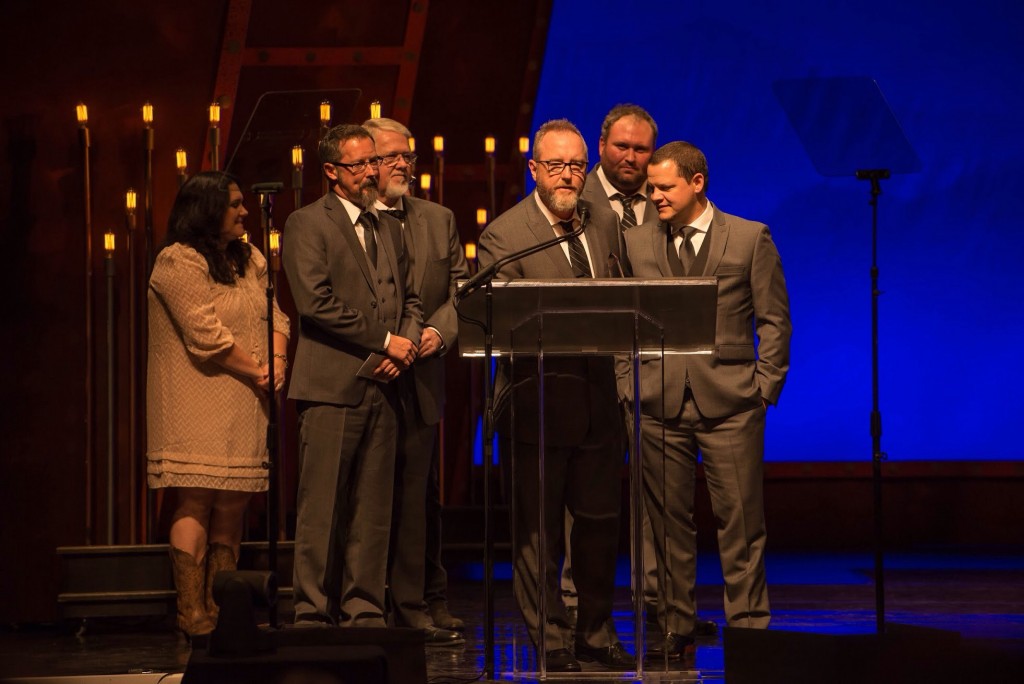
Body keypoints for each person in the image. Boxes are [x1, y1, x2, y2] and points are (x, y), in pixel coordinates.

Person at [622, 141, 791, 660]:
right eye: (652, 187)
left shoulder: (747, 237)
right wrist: (628, 386)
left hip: (732, 405)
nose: (655, 196)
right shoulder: (635, 242)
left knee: (740, 524)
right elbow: (622, 321)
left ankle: (748, 628)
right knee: (668, 525)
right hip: (658, 403)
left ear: (698, 183)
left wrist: (764, 389)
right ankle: (676, 625)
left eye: (665, 187)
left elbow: (774, 320)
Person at [477, 119, 635, 673]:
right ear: (534, 170)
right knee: (537, 538)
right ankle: (548, 638)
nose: (568, 176)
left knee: (598, 528)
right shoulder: (504, 234)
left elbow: (622, 298)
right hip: (536, 407)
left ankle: (595, 632)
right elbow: (510, 318)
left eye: (575, 166)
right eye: (556, 166)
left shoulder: (602, 222)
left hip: (598, 407)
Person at [282, 124, 422, 628]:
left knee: (372, 506)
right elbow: (316, 303)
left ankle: (363, 605)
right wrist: (384, 342)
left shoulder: (388, 225)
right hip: (330, 386)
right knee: (322, 504)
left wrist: (402, 349)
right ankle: (312, 607)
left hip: (384, 385)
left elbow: (411, 298)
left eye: (373, 163)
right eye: (359, 165)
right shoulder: (306, 223)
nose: (370, 173)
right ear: (331, 172)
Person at [147, 171, 290, 637]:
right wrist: (261, 370)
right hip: (197, 395)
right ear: (206, 210)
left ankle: (219, 607)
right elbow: (204, 334)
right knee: (195, 498)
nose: (244, 211)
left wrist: (279, 356)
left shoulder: (249, 258)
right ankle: (191, 612)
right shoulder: (177, 261)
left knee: (233, 505)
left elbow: (277, 314)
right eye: (234, 204)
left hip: (247, 398)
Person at [362, 117, 469, 646]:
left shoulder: (437, 218)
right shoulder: (350, 221)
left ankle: (418, 600)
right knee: (371, 497)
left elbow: (457, 290)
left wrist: (436, 332)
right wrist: (390, 342)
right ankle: (373, 605)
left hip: (421, 373)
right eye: (390, 156)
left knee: (417, 497)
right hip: (369, 374)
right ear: (363, 163)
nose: (403, 164)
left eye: (408, 155)